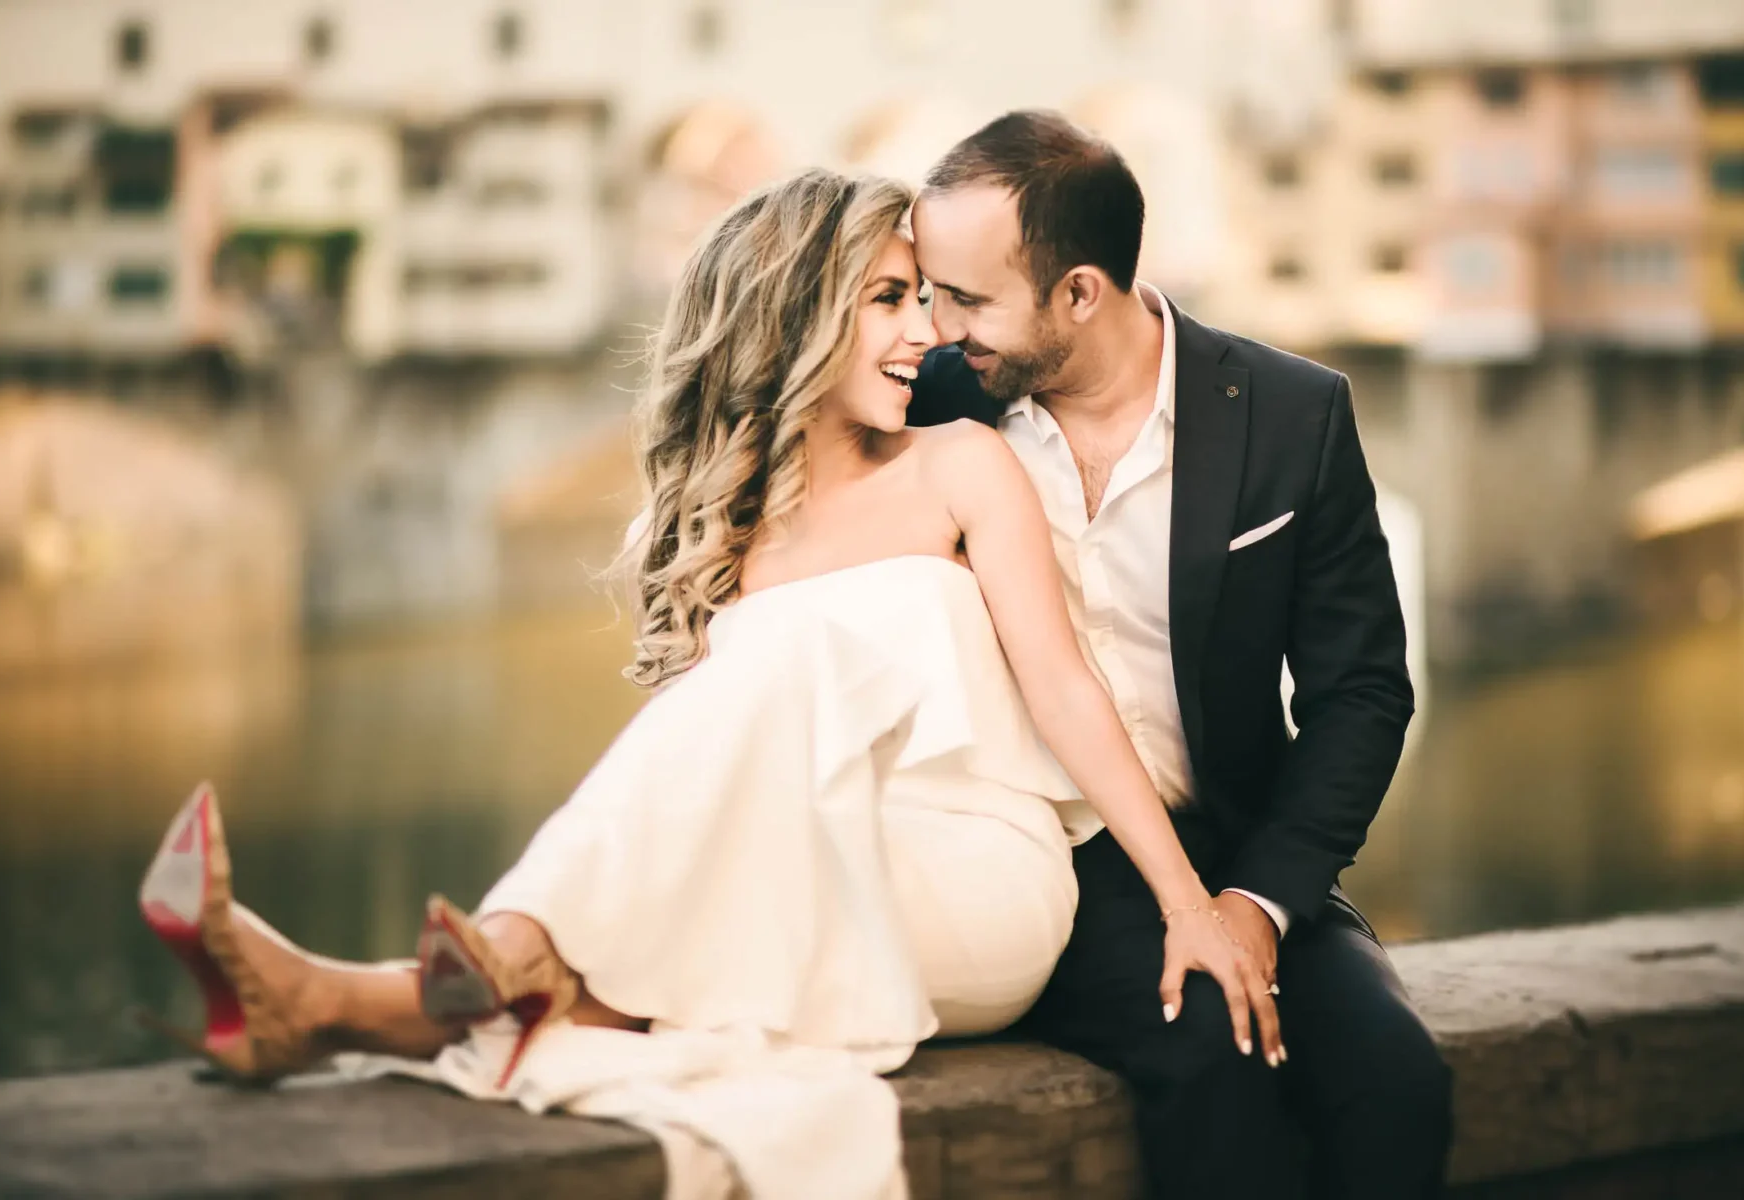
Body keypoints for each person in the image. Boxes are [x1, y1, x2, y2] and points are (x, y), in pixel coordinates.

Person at [136, 167, 1282, 1199]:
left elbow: (1068, 692)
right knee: (719, 743)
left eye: (925, 299)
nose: (921, 331)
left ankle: (480, 957)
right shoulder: (723, 535)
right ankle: (344, 1007)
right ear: (793, 315)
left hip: (980, 888)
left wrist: (1192, 908)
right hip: (802, 873)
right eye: (887, 298)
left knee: (779, 657)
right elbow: (689, 788)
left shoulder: (960, 467)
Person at [904, 111, 1452, 1200]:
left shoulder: (1294, 413)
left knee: (1397, 1083)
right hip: (1046, 859)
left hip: (1243, 845)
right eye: (928, 289)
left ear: (1079, 293)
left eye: (966, 298)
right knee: (1215, 1060)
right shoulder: (932, 402)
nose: (936, 322)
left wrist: (1257, 902)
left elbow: (1361, 692)